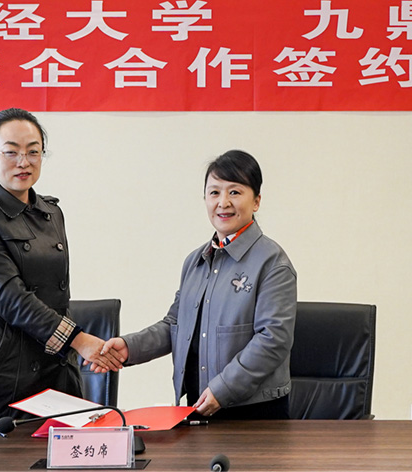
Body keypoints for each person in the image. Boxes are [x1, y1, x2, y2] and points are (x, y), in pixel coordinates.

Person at [98, 150, 297, 419]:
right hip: (199, 404)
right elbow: (175, 324)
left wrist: (223, 390)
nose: (223, 202)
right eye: (214, 193)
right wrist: (129, 347)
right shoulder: (196, 261)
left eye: (235, 192)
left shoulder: (273, 262)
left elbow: (273, 340)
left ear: (256, 201)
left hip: (254, 412)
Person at [0, 108, 121, 419]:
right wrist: (78, 340)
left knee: (69, 449)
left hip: (56, 366)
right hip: (5, 370)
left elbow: (57, 295)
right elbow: (9, 297)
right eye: (11, 152)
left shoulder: (51, 212)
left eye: (33, 152)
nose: (24, 162)